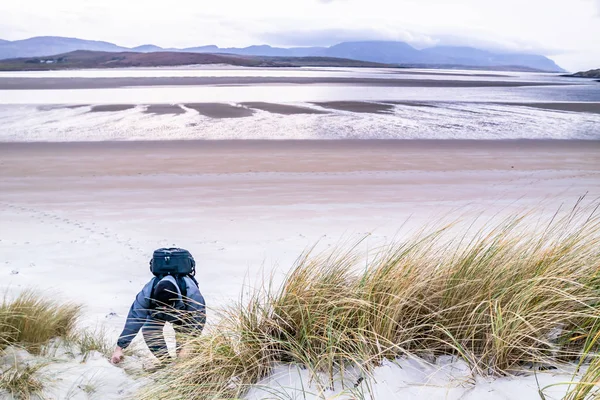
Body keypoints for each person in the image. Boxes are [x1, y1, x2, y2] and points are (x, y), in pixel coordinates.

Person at [110, 271, 206, 364]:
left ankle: (180, 367)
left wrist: (188, 346)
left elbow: (198, 321)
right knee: (149, 330)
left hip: (182, 315)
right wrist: (119, 348)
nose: (164, 309)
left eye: (167, 306)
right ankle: (166, 364)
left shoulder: (192, 294)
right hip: (156, 314)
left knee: (183, 348)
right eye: (161, 306)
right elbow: (134, 319)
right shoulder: (147, 294)